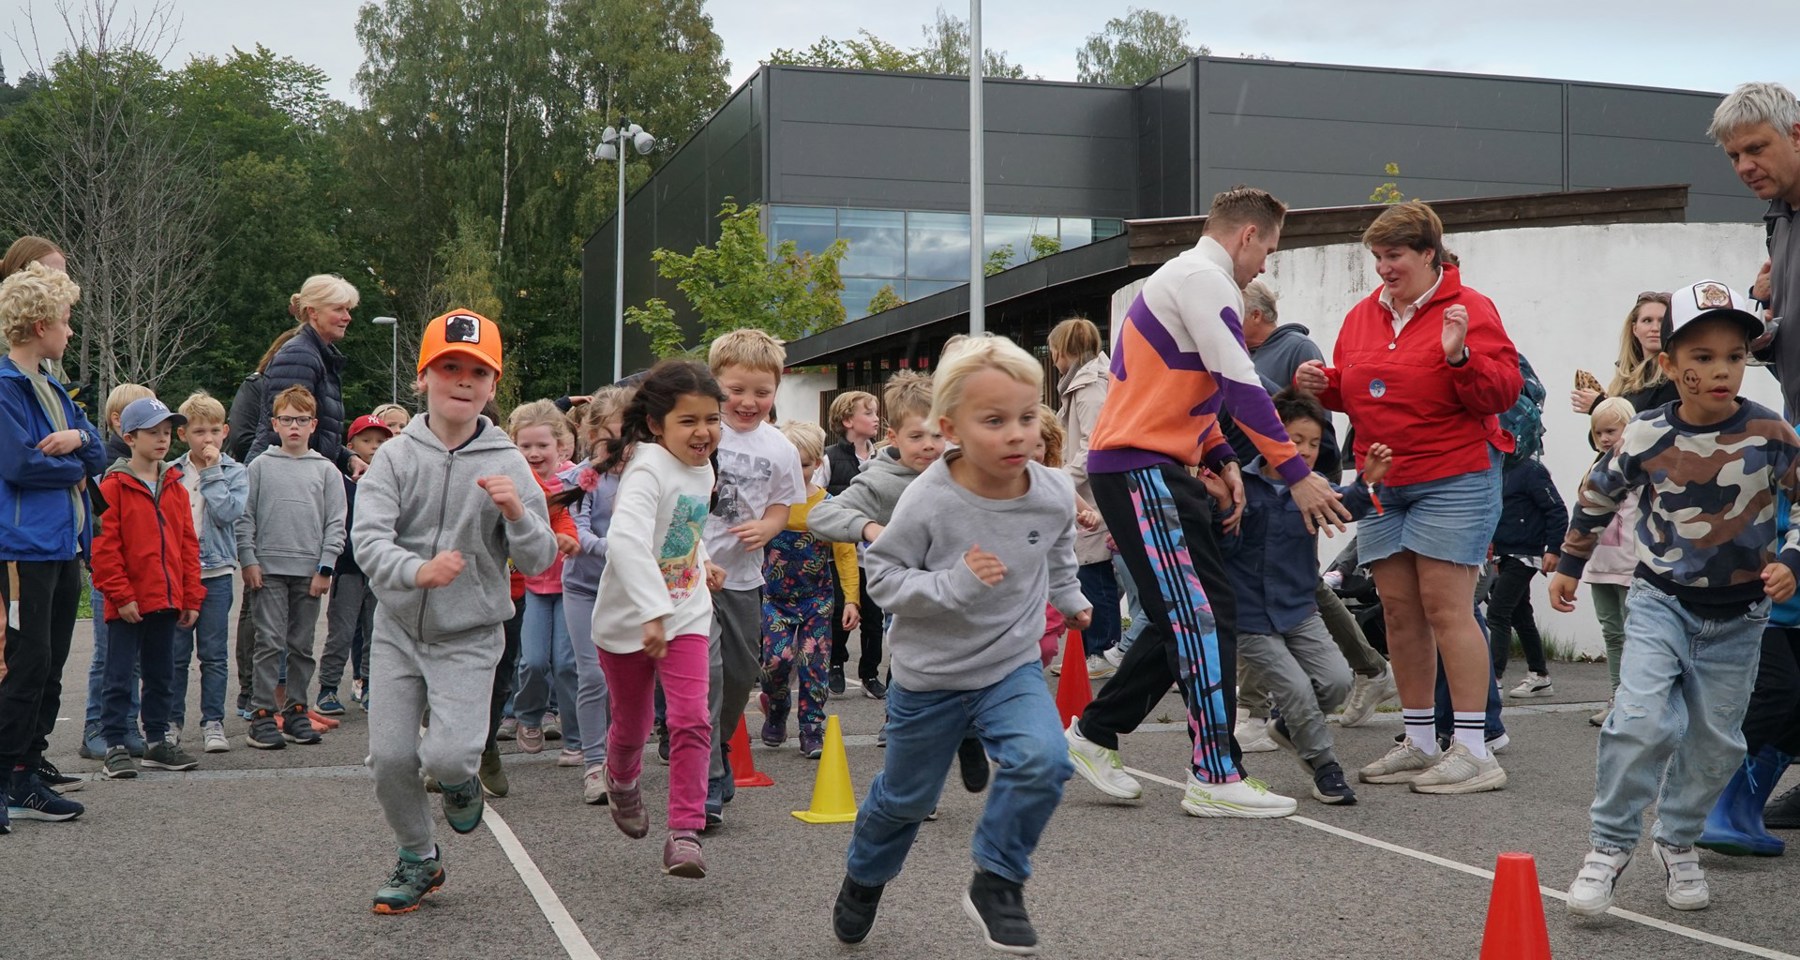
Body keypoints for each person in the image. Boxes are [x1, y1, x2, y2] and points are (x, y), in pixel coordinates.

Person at [1064, 186, 1347, 819]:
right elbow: (1240, 386)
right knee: (1203, 617)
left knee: (1184, 618)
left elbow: (1189, 390)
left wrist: (1222, 458)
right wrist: (1295, 472)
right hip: (1141, 468)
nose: (1266, 264)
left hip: (1146, 467)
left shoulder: (1185, 279)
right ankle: (1214, 775)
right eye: (1268, 250)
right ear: (1247, 235)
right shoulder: (1204, 279)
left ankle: (1094, 734)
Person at [831, 336, 1088, 953]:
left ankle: (997, 880)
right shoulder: (930, 497)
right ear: (950, 429)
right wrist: (956, 582)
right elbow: (884, 578)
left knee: (1046, 759)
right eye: (993, 421)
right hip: (930, 678)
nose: (1016, 435)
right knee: (906, 800)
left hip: (1009, 666)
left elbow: (1057, 545)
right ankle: (865, 876)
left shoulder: (1052, 490)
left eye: (1026, 417)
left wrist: (1069, 596)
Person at [1551, 279, 1800, 915]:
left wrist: (1792, 560)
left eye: (1734, 357)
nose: (1721, 371)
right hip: (1661, 602)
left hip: (1742, 617)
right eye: (1702, 357)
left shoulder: (1771, 432)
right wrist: (1570, 564)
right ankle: (1608, 848)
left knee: (1718, 744)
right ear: (1668, 364)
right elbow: (1597, 493)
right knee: (1640, 722)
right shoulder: (1645, 434)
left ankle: (1678, 840)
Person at [1294, 199, 1522, 795]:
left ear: (1429, 253)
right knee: (1398, 611)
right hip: (1384, 481)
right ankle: (1419, 739)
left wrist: (1460, 356)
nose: (1383, 267)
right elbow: (1365, 387)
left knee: (1447, 608)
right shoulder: (1363, 315)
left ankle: (1474, 749)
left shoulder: (1470, 308)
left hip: (1455, 475)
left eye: (1393, 255)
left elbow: (1502, 393)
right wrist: (1326, 386)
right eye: (1377, 256)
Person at [355, 309, 556, 913]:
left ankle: (461, 775)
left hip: (470, 633)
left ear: (493, 386)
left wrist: (517, 514)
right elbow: (367, 539)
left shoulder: (509, 462)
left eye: (478, 371)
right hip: (397, 630)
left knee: (446, 756)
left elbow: (542, 556)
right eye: (449, 367)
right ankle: (419, 856)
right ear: (423, 377)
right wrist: (415, 571)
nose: (463, 380)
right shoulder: (394, 457)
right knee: (390, 759)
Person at [590, 360, 725, 878]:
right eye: (688, 421)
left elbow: (683, 527)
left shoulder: (704, 467)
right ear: (656, 424)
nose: (703, 432)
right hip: (630, 619)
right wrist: (651, 612)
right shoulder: (647, 469)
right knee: (634, 723)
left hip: (686, 611)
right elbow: (625, 540)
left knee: (691, 718)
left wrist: (703, 557)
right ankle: (621, 779)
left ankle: (685, 832)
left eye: (711, 419)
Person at [1224, 390, 1391, 806]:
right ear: (1270, 436)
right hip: (1250, 617)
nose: (1305, 451)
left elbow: (1347, 506)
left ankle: (1287, 727)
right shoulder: (1242, 486)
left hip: (1299, 610)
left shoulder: (1314, 489)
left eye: (1314, 443)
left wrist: (1368, 480)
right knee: (1297, 689)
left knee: (1337, 682)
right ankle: (1324, 765)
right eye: (1295, 439)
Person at [0, 262, 103, 831]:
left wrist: (79, 438)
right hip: (24, 547)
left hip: (64, 546)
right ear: (40, 325)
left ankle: (26, 774)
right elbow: (19, 464)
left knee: (52, 662)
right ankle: (5, 778)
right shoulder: (5, 387)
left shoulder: (55, 387)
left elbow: (98, 451)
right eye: (65, 320)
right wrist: (75, 467)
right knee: (26, 661)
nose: (70, 330)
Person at [700, 329, 807, 826]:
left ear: (776, 390)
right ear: (714, 383)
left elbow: (783, 506)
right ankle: (705, 778)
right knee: (708, 674)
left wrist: (767, 527)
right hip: (693, 576)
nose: (748, 402)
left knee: (741, 675)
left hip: (744, 578)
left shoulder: (779, 447)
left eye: (761, 392)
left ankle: (719, 742)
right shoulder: (700, 432)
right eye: (736, 390)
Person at [90, 397, 205, 779]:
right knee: (119, 676)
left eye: (167, 433)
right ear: (129, 437)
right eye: (153, 432)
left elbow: (188, 546)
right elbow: (104, 549)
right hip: (127, 604)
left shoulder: (176, 487)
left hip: (166, 601)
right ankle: (114, 745)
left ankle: (157, 741)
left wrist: (191, 596)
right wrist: (122, 596)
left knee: (161, 675)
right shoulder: (112, 486)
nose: (162, 440)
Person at [236, 385, 347, 750]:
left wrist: (326, 567)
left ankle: (297, 709)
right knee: (268, 642)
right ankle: (262, 714)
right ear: (275, 424)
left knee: (301, 645)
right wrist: (249, 560)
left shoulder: (326, 471)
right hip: (267, 571)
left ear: (313, 424)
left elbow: (336, 523)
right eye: (287, 420)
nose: (294, 427)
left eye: (301, 420)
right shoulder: (259, 467)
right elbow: (244, 518)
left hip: (309, 573)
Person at [760, 420, 859, 758]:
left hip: (817, 599)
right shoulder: (769, 503)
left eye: (802, 465)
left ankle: (811, 728)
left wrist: (852, 599)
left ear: (817, 463)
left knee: (813, 663)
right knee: (776, 660)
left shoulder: (827, 505)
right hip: (775, 598)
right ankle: (776, 708)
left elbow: (845, 553)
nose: (795, 472)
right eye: (789, 465)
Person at [557, 385, 631, 804]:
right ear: (591, 435)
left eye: (629, 438)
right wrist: (618, 549)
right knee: (592, 674)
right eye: (610, 440)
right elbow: (578, 532)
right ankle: (593, 763)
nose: (621, 448)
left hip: (629, 590)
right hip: (585, 587)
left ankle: (621, 760)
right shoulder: (581, 479)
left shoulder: (645, 475)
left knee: (626, 681)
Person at [1710, 83, 1800, 419]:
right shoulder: (1778, 221)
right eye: (1734, 156)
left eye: (1756, 149)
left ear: (1796, 136)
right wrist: (1763, 336)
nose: (1744, 167)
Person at [167, 391, 248, 754]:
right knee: (175, 654)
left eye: (215, 431)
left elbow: (228, 513)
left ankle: (213, 722)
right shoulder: (171, 472)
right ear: (183, 434)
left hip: (216, 573)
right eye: (199, 432)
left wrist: (213, 472)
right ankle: (170, 722)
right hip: (179, 574)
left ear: (225, 431)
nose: (208, 439)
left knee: (214, 654)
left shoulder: (234, 472)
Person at [77, 382, 153, 761]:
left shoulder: (151, 466)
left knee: (133, 657)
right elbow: (99, 526)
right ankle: (96, 726)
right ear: (120, 421)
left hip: (141, 576)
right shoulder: (104, 463)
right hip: (110, 576)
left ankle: (127, 725)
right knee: (108, 656)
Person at [509, 400, 585, 765]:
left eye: (542, 445)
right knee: (533, 661)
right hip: (534, 586)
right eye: (525, 446)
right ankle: (528, 716)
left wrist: (573, 539)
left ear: (562, 447)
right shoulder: (514, 483)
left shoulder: (575, 481)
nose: (534, 453)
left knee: (567, 664)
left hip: (570, 586)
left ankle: (575, 737)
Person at [1049, 316, 1119, 680]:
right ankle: (1091, 651)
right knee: (1089, 572)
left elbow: (1093, 444)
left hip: (1091, 494)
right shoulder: (1085, 382)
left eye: (1053, 350)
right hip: (1087, 491)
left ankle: (1101, 650)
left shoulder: (1089, 387)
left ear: (1063, 350)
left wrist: (1064, 479)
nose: (1052, 358)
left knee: (1094, 572)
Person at [317, 414, 393, 719]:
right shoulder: (340, 482)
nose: (374, 447)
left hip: (379, 571)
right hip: (348, 569)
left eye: (381, 441)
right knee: (342, 632)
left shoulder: (390, 482)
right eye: (367, 440)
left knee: (377, 633)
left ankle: (371, 686)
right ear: (351, 445)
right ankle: (328, 688)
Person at [250, 274, 363, 476]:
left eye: (348, 309)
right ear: (313, 312)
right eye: (338, 309)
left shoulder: (317, 355)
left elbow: (320, 432)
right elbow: (288, 431)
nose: (347, 317)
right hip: (287, 477)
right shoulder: (300, 356)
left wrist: (348, 459)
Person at [1578, 397, 1640, 726]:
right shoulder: (1595, 469)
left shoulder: (1640, 468)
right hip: (1599, 564)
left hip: (1632, 566)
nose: (1604, 438)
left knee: (1636, 636)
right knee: (1613, 634)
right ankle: (1616, 696)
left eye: (1611, 431)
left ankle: (1635, 700)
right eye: (1598, 432)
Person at [1488, 454, 1567, 697]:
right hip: (1504, 553)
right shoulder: (1497, 469)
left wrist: (1553, 549)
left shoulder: (1531, 470)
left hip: (1524, 554)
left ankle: (1493, 680)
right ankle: (1540, 676)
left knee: (1497, 612)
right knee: (1521, 615)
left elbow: (1557, 509)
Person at [824, 390, 883, 697]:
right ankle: (835, 663)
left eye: (876, 413)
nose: (876, 418)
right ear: (848, 420)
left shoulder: (882, 458)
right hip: (841, 553)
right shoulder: (830, 458)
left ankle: (870, 673)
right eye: (868, 413)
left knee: (874, 618)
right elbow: (818, 500)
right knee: (839, 611)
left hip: (875, 554)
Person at [1569, 292, 1676, 415]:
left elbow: (1652, 423)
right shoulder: (1626, 376)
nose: (1655, 328)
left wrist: (1600, 407)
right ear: (1635, 329)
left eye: (1662, 321)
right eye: (1647, 320)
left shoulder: (1675, 375)